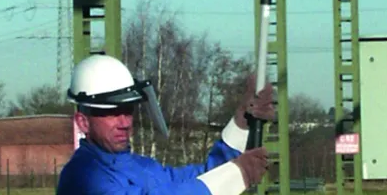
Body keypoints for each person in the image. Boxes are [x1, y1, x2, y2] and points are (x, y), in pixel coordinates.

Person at [57, 54, 274, 195]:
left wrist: (242, 121)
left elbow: (203, 177)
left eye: (128, 111)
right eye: (111, 113)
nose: (124, 122)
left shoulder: (141, 167)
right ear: (83, 122)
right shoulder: (81, 178)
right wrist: (237, 174)